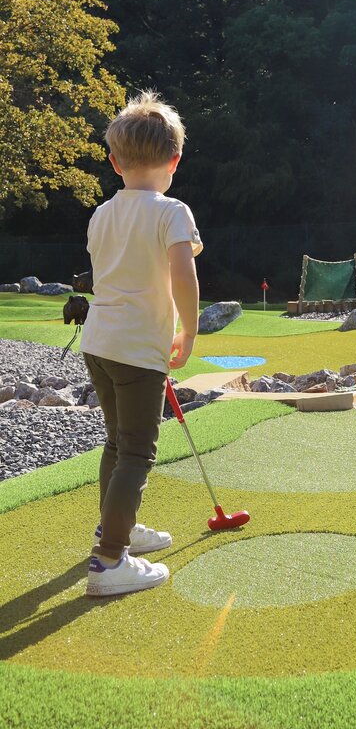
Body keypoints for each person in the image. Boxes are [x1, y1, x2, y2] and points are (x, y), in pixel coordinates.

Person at [80, 90, 203, 597]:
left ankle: (116, 529)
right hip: (136, 350)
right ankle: (110, 561)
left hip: (99, 344)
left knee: (116, 443)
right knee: (136, 452)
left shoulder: (100, 215)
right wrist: (189, 330)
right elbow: (183, 274)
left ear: (114, 161)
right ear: (175, 159)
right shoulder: (171, 210)